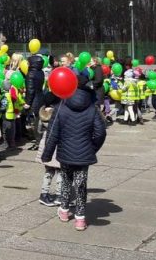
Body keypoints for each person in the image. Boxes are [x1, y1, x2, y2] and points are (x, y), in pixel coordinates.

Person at [41, 82, 107, 231]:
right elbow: (100, 133)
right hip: (83, 153)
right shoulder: (92, 109)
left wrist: (47, 155)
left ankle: (64, 211)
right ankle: (80, 218)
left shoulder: (60, 107)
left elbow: (52, 134)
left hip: (65, 152)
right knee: (81, 184)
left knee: (66, 180)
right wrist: (91, 148)